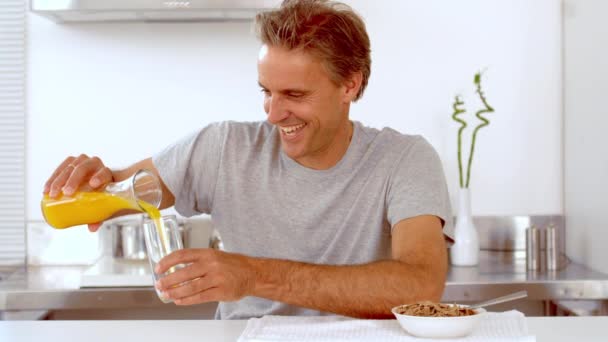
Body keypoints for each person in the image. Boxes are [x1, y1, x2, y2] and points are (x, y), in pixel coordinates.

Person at [43, 0, 452, 320]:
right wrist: (90, 183)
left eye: (294, 95)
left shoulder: (404, 159)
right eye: (266, 92)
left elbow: (419, 286)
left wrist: (253, 275)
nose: (272, 115)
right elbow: (121, 191)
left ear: (349, 85)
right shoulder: (223, 148)